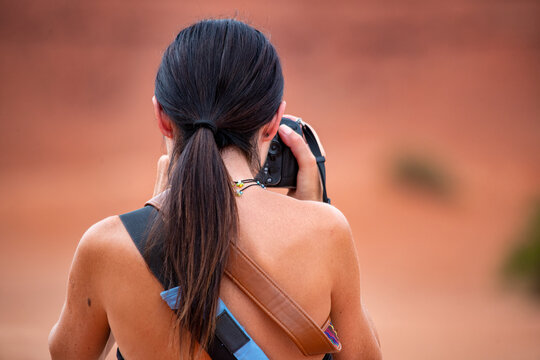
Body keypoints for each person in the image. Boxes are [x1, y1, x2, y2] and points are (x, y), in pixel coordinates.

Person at [48, 19, 382, 360]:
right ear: (272, 123)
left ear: (162, 117)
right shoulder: (326, 233)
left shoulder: (105, 247)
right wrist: (316, 207)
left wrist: (152, 218)